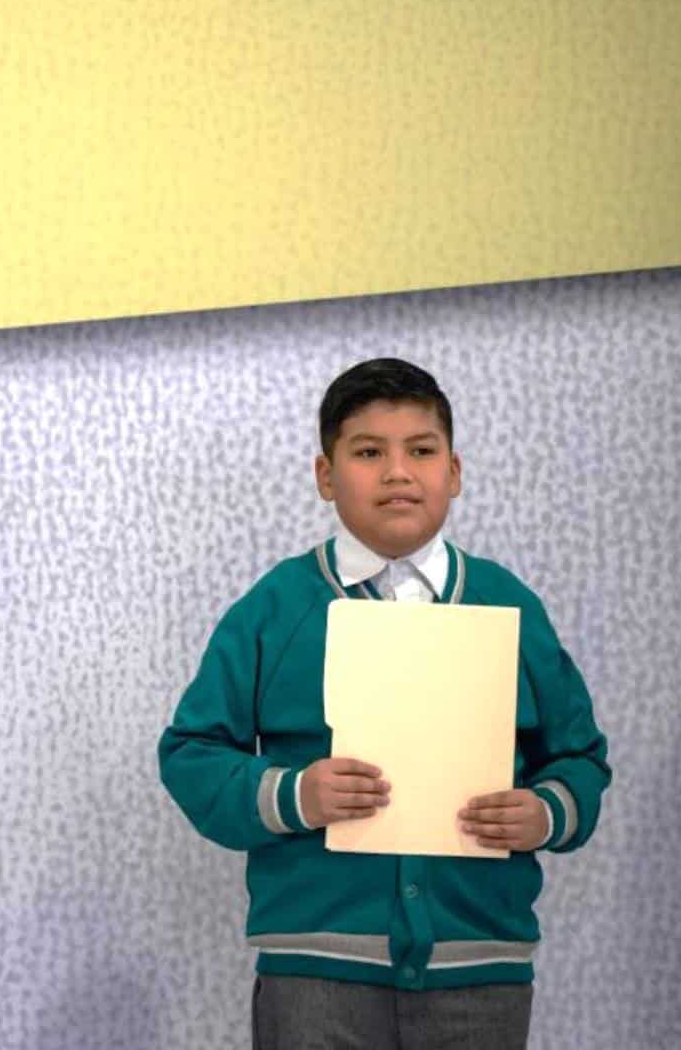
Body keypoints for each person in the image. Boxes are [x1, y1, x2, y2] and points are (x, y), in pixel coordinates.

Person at [157, 357, 610, 1049]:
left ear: (453, 472)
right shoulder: (274, 609)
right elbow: (191, 755)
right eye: (369, 452)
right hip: (315, 973)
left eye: (421, 451)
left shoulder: (510, 605)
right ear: (326, 475)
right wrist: (294, 795)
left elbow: (579, 758)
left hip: (480, 968)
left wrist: (546, 812)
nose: (398, 472)